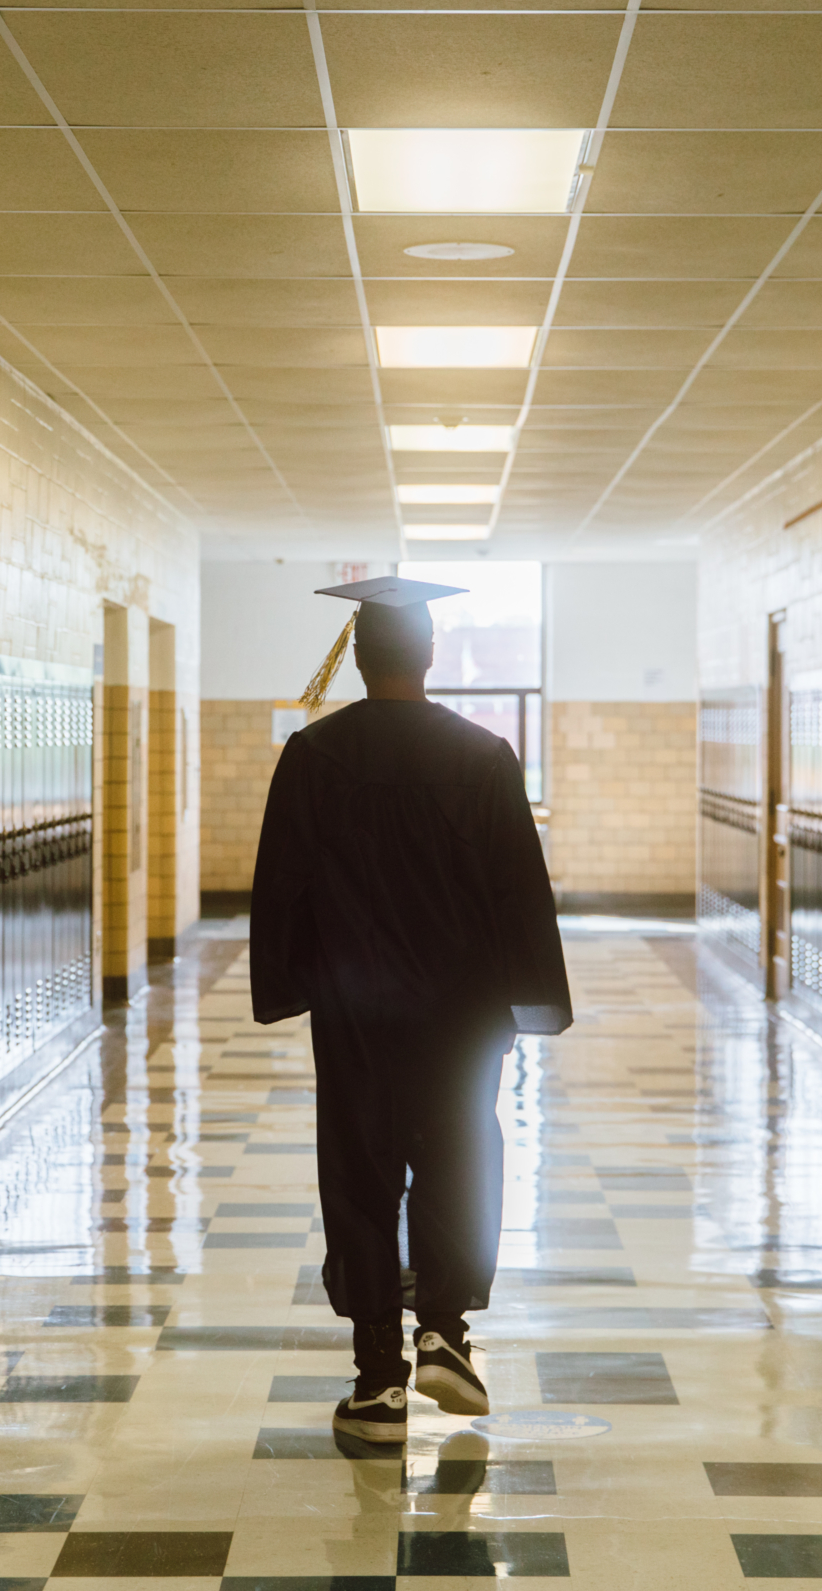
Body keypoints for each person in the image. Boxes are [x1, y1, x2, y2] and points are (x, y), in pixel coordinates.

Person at [249, 576, 572, 1445]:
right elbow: (519, 894)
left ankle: (378, 1382)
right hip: (461, 1010)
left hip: (355, 1008)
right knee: (458, 1153)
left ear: (358, 656)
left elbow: (281, 886)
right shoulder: (483, 756)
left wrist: (286, 982)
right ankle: (445, 1333)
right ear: (429, 654)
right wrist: (526, 996)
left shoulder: (314, 757)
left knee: (359, 1173)